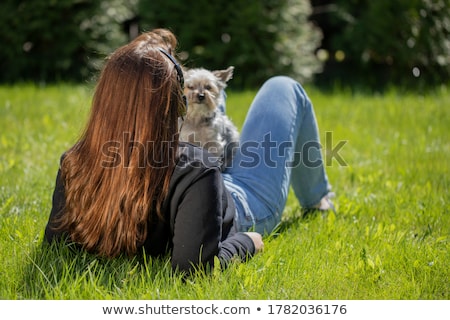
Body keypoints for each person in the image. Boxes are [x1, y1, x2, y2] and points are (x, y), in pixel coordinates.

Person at [44, 28, 333, 274]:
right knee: (283, 86)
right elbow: (195, 267)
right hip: (240, 200)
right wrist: (247, 242)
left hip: (202, 175)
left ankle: (203, 91)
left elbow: (55, 243)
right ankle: (318, 198)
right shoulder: (198, 169)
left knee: (213, 94)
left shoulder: (76, 161)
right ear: (174, 106)